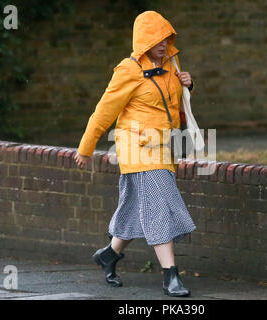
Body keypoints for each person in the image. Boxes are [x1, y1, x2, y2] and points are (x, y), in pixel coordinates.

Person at [74, 10, 196, 297]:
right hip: (137, 149)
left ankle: (109, 255)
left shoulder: (171, 65)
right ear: (143, 40)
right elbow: (104, 112)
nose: (163, 44)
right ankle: (170, 275)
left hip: (163, 147)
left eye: (167, 38)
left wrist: (188, 84)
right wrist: (86, 147)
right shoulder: (127, 70)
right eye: (157, 39)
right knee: (159, 205)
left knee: (135, 210)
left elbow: (172, 104)